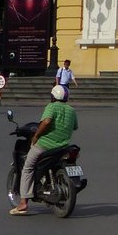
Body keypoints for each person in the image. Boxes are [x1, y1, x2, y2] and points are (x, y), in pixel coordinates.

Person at [10, 84, 78, 216]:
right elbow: (75, 127)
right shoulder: (71, 110)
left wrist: (36, 136)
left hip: (46, 145)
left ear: (53, 97)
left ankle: (23, 203)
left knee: (28, 167)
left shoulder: (51, 107)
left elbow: (46, 122)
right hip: (63, 146)